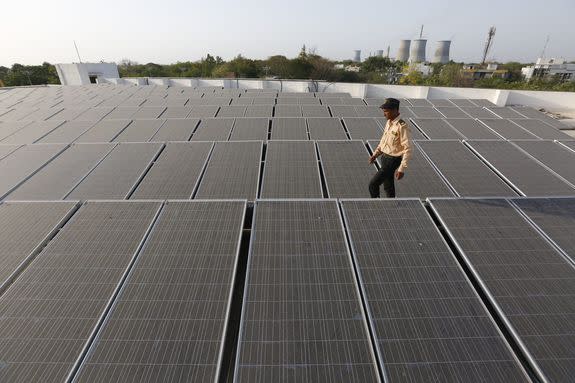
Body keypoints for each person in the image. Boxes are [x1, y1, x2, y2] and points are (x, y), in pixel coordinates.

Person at [368, 98, 412, 198]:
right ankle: (392, 205)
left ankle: (376, 206)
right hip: (384, 157)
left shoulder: (402, 126)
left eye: (386, 111)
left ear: (394, 110)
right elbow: (384, 141)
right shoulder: (389, 122)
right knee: (388, 186)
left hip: (393, 160)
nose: (384, 114)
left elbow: (408, 149)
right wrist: (375, 154)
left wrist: (401, 169)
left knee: (373, 184)